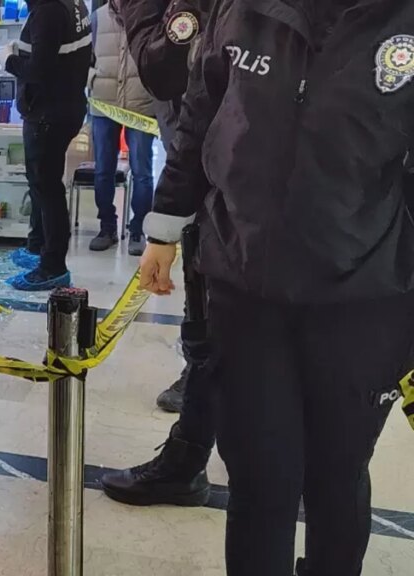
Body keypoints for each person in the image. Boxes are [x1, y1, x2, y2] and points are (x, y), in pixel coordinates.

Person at [139, 1, 414, 574]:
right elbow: (201, 109)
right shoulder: (243, 8)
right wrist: (165, 224)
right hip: (245, 286)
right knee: (262, 477)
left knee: (336, 477)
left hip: (364, 297)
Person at [99, 0, 215, 508]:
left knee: (217, 330)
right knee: (213, 330)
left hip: (233, 185)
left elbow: (164, 69)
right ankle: (190, 452)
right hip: (216, 173)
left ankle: (187, 460)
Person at [0, 0, 91, 291]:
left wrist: (8, 60)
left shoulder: (48, 10)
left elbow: (39, 70)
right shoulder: (72, 4)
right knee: (41, 184)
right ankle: (37, 247)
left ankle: (52, 266)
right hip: (65, 107)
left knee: (47, 187)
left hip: (48, 114)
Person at [88, 0, 156, 257]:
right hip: (104, 104)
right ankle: (107, 227)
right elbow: (86, 56)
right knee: (103, 170)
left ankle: (138, 229)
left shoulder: (150, 14)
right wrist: (92, 79)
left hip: (140, 102)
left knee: (142, 170)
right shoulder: (96, 18)